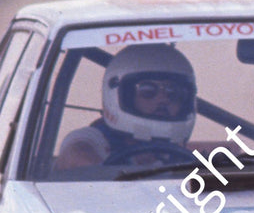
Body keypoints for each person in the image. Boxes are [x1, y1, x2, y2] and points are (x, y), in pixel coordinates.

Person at [55, 43, 197, 168]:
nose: (163, 99)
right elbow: (75, 155)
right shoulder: (93, 139)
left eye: (173, 92)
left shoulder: (176, 154)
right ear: (126, 95)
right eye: (148, 90)